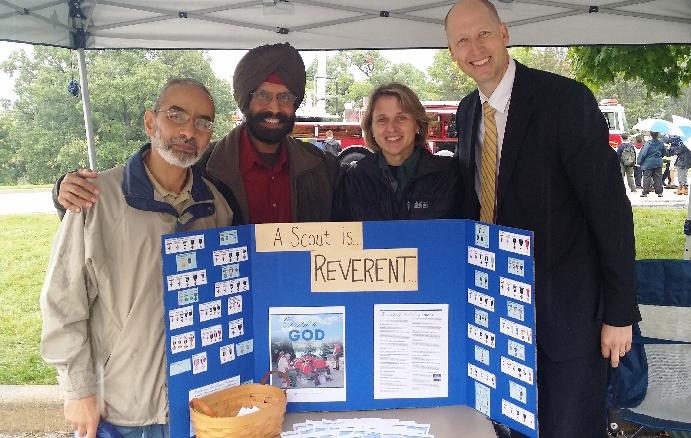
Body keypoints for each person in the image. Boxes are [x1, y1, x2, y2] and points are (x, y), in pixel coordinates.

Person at [444, 1, 640, 437]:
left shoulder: (565, 101)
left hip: (567, 316)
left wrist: (620, 312)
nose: (474, 48)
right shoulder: (467, 111)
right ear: (452, 53)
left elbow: (609, 209)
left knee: (568, 428)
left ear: (505, 34)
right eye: (461, 40)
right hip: (496, 311)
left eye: (483, 34)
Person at [40, 78, 234, 438]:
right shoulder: (95, 199)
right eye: (177, 115)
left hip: (198, 407)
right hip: (123, 407)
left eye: (203, 122)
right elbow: (62, 302)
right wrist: (78, 389)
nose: (189, 130)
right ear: (150, 122)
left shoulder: (215, 209)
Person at [54, 43, 342, 225]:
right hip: (226, 310)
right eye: (263, 95)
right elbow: (141, 183)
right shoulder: (200, 166)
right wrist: (64, 191)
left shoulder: (323, 168)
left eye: (286, 98)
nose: (274, 108)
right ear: (245, 100)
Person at [332, 82, 463, 221]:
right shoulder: (354, 179)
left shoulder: (449, 175)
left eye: (401, 118)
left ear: (418, 124)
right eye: (382, 120)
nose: (392, 128)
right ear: (371, 129)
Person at [637, 131, 667, 197]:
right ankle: (659, 192)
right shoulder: (661, 143)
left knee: (647, 177)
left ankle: (645, 192)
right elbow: (665, 152)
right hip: (658, 162)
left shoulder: (648, 144)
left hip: (648, 163)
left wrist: (639, 162)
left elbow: (643, 153)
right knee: (658, 177)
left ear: (650, 135)